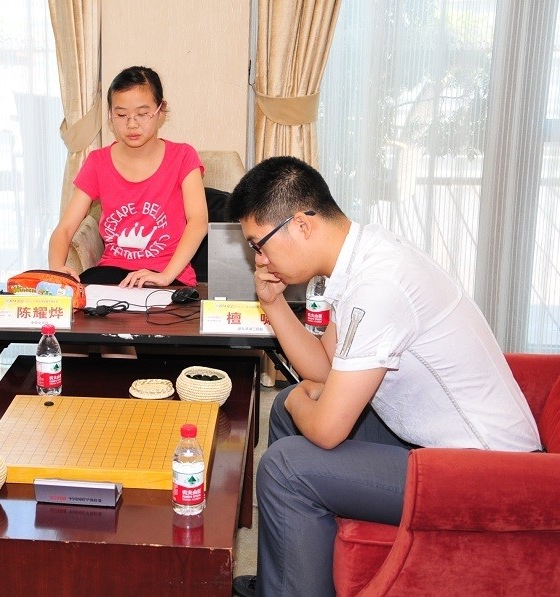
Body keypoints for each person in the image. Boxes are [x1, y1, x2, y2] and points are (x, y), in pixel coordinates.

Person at [227, 156, 542, 597]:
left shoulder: (379, 285)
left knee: (286, 468)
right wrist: (274, 304)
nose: (259, 259)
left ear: (300, 224)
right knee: (285, 408)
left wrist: (300, 398)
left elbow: (328, 430)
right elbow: (324, 368)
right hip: (438, 446)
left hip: (489, 474)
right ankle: (281, 582)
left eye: (259, 245)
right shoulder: (359, 257)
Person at [48, 65, 208, 288]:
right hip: (113, 275)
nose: (132, 124)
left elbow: (198, 221)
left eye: (142, 114)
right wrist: (56, 268)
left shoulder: (183, 156)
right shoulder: (98, 162)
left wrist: (165, 276)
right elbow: (65, 228)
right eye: (122, 115)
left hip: (168, 275)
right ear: (110, 115)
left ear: (160, 110)